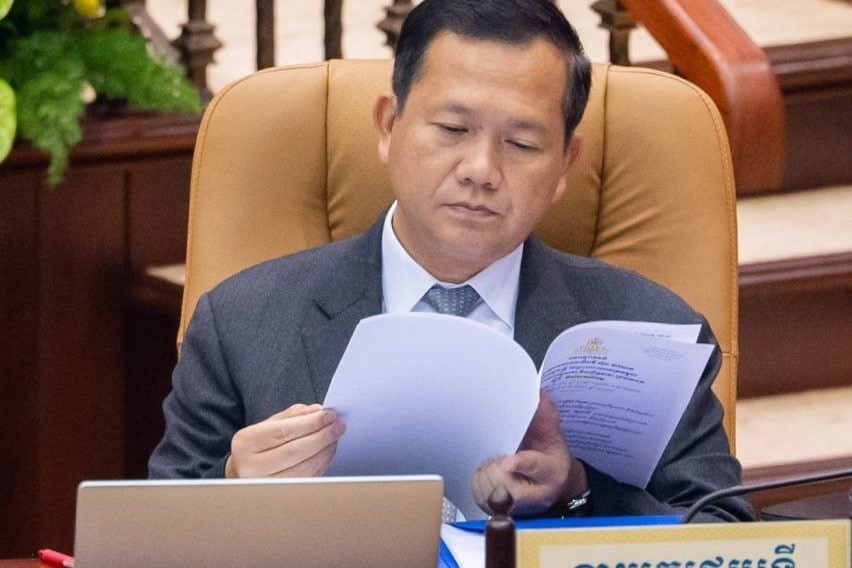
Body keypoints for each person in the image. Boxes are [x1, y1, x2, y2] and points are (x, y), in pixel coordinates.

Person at [149, 0, 753, 522]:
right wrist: (234, 491)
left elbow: (724, 532)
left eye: (521, 143)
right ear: (389, 126)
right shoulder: (241, 322)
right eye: (452, 129)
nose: (481, 171)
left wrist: (578, 490)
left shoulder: (651, 330)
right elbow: (156, 537)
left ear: (565, 166)